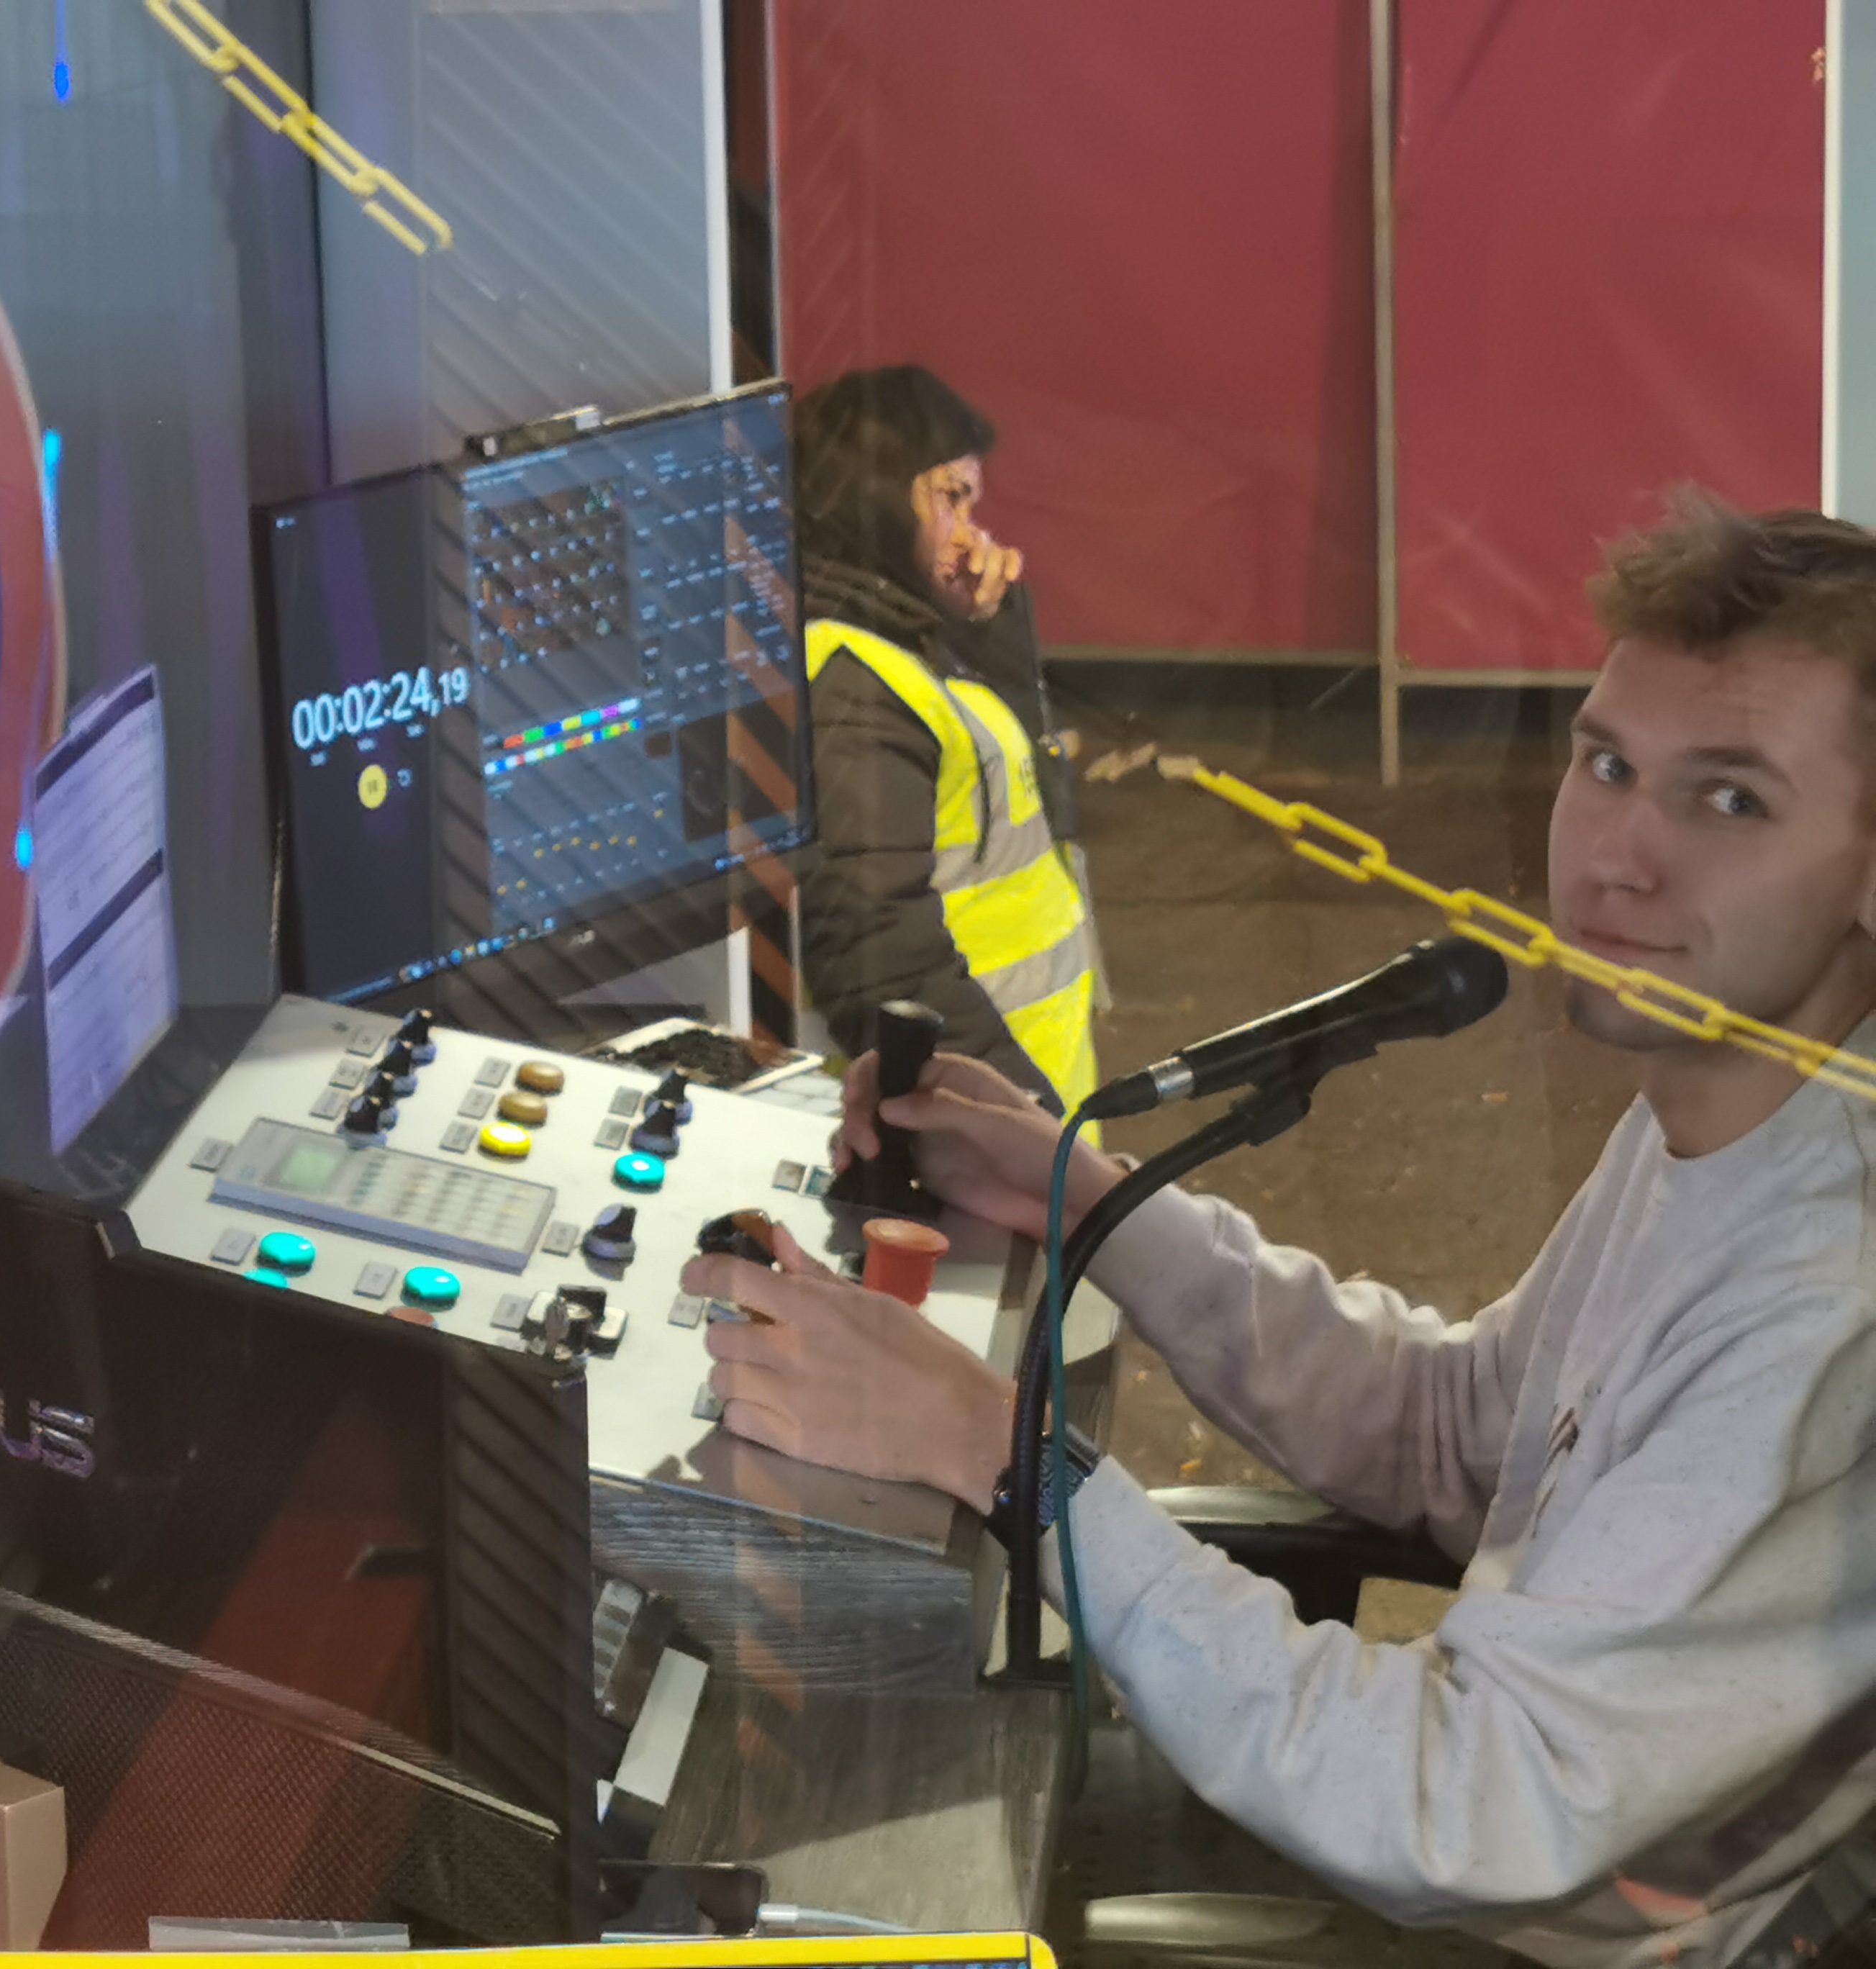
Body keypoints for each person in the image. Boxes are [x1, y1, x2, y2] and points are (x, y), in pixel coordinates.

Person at [686, 494, 1876, 1968]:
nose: (1618, 858)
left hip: (1515, 1927)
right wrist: (1092, 1200)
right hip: (1464, 1841)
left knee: (825, 1890)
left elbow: (1462, 1805)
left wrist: (1000, 1454)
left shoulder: (1824, 1291)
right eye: (1609, 764)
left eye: (1731, 800)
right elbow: (1453, 1435)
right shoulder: (1730, 1110)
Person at [794, 366, 1100, 1113]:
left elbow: (1034, 813)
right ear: (871, 498)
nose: (972, 537)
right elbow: (875, 955)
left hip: (1016, 1116)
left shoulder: (909, 638)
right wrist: (1019, 1120)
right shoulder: (851, 680)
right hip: (970, 1130)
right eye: (951, 499)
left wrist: (984, 633)